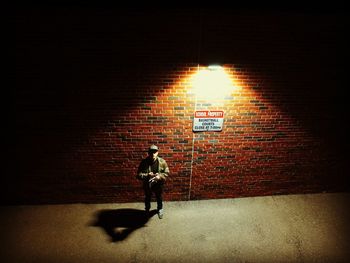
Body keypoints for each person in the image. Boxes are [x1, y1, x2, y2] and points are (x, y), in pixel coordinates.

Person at [136, 144, 169, 219]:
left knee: (159, 197)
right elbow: (138, 175)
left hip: (158, 184)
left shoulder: (162, 162)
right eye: (151, 152)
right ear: (148, 153)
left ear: (157, 152)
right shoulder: (144, 162)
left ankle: (160, 209)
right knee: (147, 197)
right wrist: (147, 175)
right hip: (148, 184)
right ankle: (147, 210)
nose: (153, 154)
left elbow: (166, 173)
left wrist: (159, 176)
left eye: (155, 152)